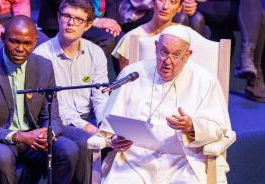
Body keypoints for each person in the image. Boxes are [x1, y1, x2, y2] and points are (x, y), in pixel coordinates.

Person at [96, 25, 232, 183]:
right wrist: (113, 139)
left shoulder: (205, 81)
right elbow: (109, 124)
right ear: (156, 48)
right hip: (134, 159)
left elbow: (219, 129)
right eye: (164, 52)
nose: (168, 61)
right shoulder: (132, 73)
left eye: (176, 55)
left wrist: (191, 127)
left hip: (184, 161)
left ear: (187, 56)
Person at [0, 15, 85, 184]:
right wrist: (20, 136)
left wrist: (47, 133)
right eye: (14, 41)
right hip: (0, 137)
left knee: (68, 149)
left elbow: (52, 116)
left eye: (27, 43)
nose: (20, 48)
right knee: (2, 157)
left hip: (33, 135)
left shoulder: (44, 66)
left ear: (35, 42)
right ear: (2, 38)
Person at [34, 0, 109, 136]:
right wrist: (88, 128)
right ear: (58, 17)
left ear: (87, 25)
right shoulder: (42, 55)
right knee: (85, 141)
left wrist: (104, 126)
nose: (71, 22)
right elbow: (55, 107)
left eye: (79, 19)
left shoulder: (96, 52)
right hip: (60, 121)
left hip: (90, 116)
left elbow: (101, 97)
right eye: (67, 16)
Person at [197, 0, 265, 102]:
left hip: (231, 5)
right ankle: (251, 69)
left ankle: (248, 59)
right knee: (260, 16)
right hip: (205, 4)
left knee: (261, 15)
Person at [112, 0, 183, 70]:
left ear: (179, 7)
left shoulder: (184, 35)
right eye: (161, 0)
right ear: (152, 2)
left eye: (172, 2)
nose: (165, 6)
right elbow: (130, 76)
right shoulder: (133, 37)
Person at [118, 0, 208, 36]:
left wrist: (189, 3)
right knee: (180, 17)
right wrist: (175, 3)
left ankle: (199, 62)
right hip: (135, 17)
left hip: (172, 8)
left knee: (197, 18)